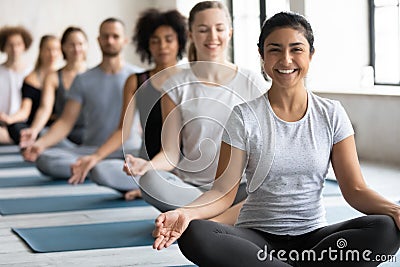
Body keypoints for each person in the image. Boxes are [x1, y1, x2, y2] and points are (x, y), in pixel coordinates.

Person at [151, 12, 400, 266]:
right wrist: (185, 212)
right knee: (194, 233)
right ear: (262, 56)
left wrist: (394, 210)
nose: (286, 60)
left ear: (311, 54)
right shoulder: (244, 116)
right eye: (275, 50)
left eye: (296, 49)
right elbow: (223, 192)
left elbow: (355, 190)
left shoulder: (331, 113)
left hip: (315, 241)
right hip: (256, 240)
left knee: (386, 228)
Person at [124, 1, 268, 211]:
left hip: (240, 188)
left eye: (219, 29)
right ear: (191, 34)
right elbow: (171, 153)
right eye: (203, 30)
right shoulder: (174, 85)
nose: (212, 37)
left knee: (270, 187)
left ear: (229, 32)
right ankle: (214, 217)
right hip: (192, 189)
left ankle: (198, 218)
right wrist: (147, 166)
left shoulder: (253, 82)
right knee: (149, 182)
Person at [68, 9, 188, 200]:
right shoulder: (137, 81)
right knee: (101, 170)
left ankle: (156, 188)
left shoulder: (189, 79)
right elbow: (122, 130)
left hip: (184, 169)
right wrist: (95, 157)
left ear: (179, 42)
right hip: (145, 164)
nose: (162, 46)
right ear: (146, 44)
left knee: (174, 180)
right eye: (155, 40)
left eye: (168, 39)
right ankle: (151, 187)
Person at [22, 18, 143, 181]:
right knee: (45, 159)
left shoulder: (139, 76)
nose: (110, 41)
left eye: (115, 36)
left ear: (125, 40)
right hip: (90, 150)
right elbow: (65, 122)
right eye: (105, 36)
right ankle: (97, 169)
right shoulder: (83, 79)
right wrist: (40, 144)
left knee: (139, 163)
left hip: (128, 152)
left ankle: (95, 169)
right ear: (98, 40)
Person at [19, 27, 88, 149]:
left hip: (88, 133)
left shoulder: (94, 75)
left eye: (80, 44)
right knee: (44, 135)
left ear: (86, 46)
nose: (77, 49)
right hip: (61, 134)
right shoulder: (53, 77)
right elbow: (45, 109)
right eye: (72, 45)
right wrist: (34, 130)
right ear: (64, 47)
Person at [1, 35, 61, 145]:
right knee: (16, 127)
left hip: (57, 125)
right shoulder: (30, 78)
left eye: (56, 50)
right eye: (48, 49)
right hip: (35, 125)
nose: (52, 54)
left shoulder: (62, 76)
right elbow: (25, 110)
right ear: (41, 51)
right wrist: (9, 119)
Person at [0, 26, 33, 144]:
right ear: (4, 47)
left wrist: (11, 120)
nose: (15, 49)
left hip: (22, 124)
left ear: (25, 46)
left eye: (19, 44)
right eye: (10, 44)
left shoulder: (31, 73)